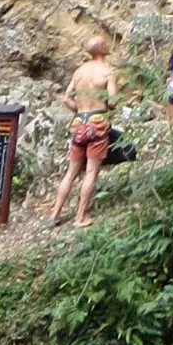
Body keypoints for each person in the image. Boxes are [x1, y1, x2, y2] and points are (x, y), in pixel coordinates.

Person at [49, 35, 119, 228]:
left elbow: (66, 98)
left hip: (79, 122)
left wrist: (79, 109)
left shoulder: (79, 72)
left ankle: (54, 213)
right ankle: (80, 217)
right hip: (97, 122)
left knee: (71, 172)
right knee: (90, 172)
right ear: (104, 49)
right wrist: (105, 105)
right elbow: (113, 101)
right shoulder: (108, 71)